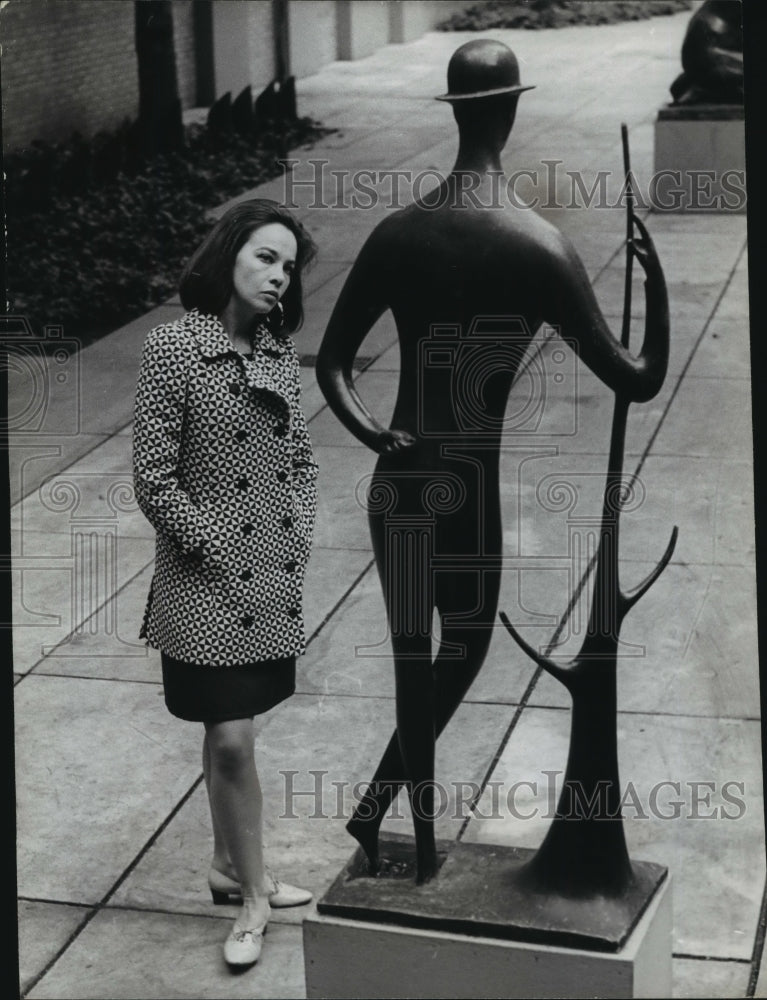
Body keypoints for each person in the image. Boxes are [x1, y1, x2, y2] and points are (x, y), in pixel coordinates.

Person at [315, 40, 668, 885]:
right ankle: (397, 825)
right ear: (509, 111)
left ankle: (393, 824)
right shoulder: (537, 246)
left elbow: (330, 362)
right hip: (465, 482)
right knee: (460, 652)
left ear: (457, 111)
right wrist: (651, 286)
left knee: (413, 652)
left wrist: (372, 432)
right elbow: (638, 379)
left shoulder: (400, 232)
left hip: (399, 478)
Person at [133, 199, 319, 967]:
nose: (278, 275)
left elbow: (301, 459)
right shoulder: (174, 347)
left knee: (233, 736)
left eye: (288, 265)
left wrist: (297, 527)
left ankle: (225, 864)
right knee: (233, 739)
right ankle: (250, 896)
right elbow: (153, 478)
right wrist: (212, 542)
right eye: (265, 257)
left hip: (268, 577)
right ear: (228, 256)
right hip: (202, 580)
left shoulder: (278, 354)